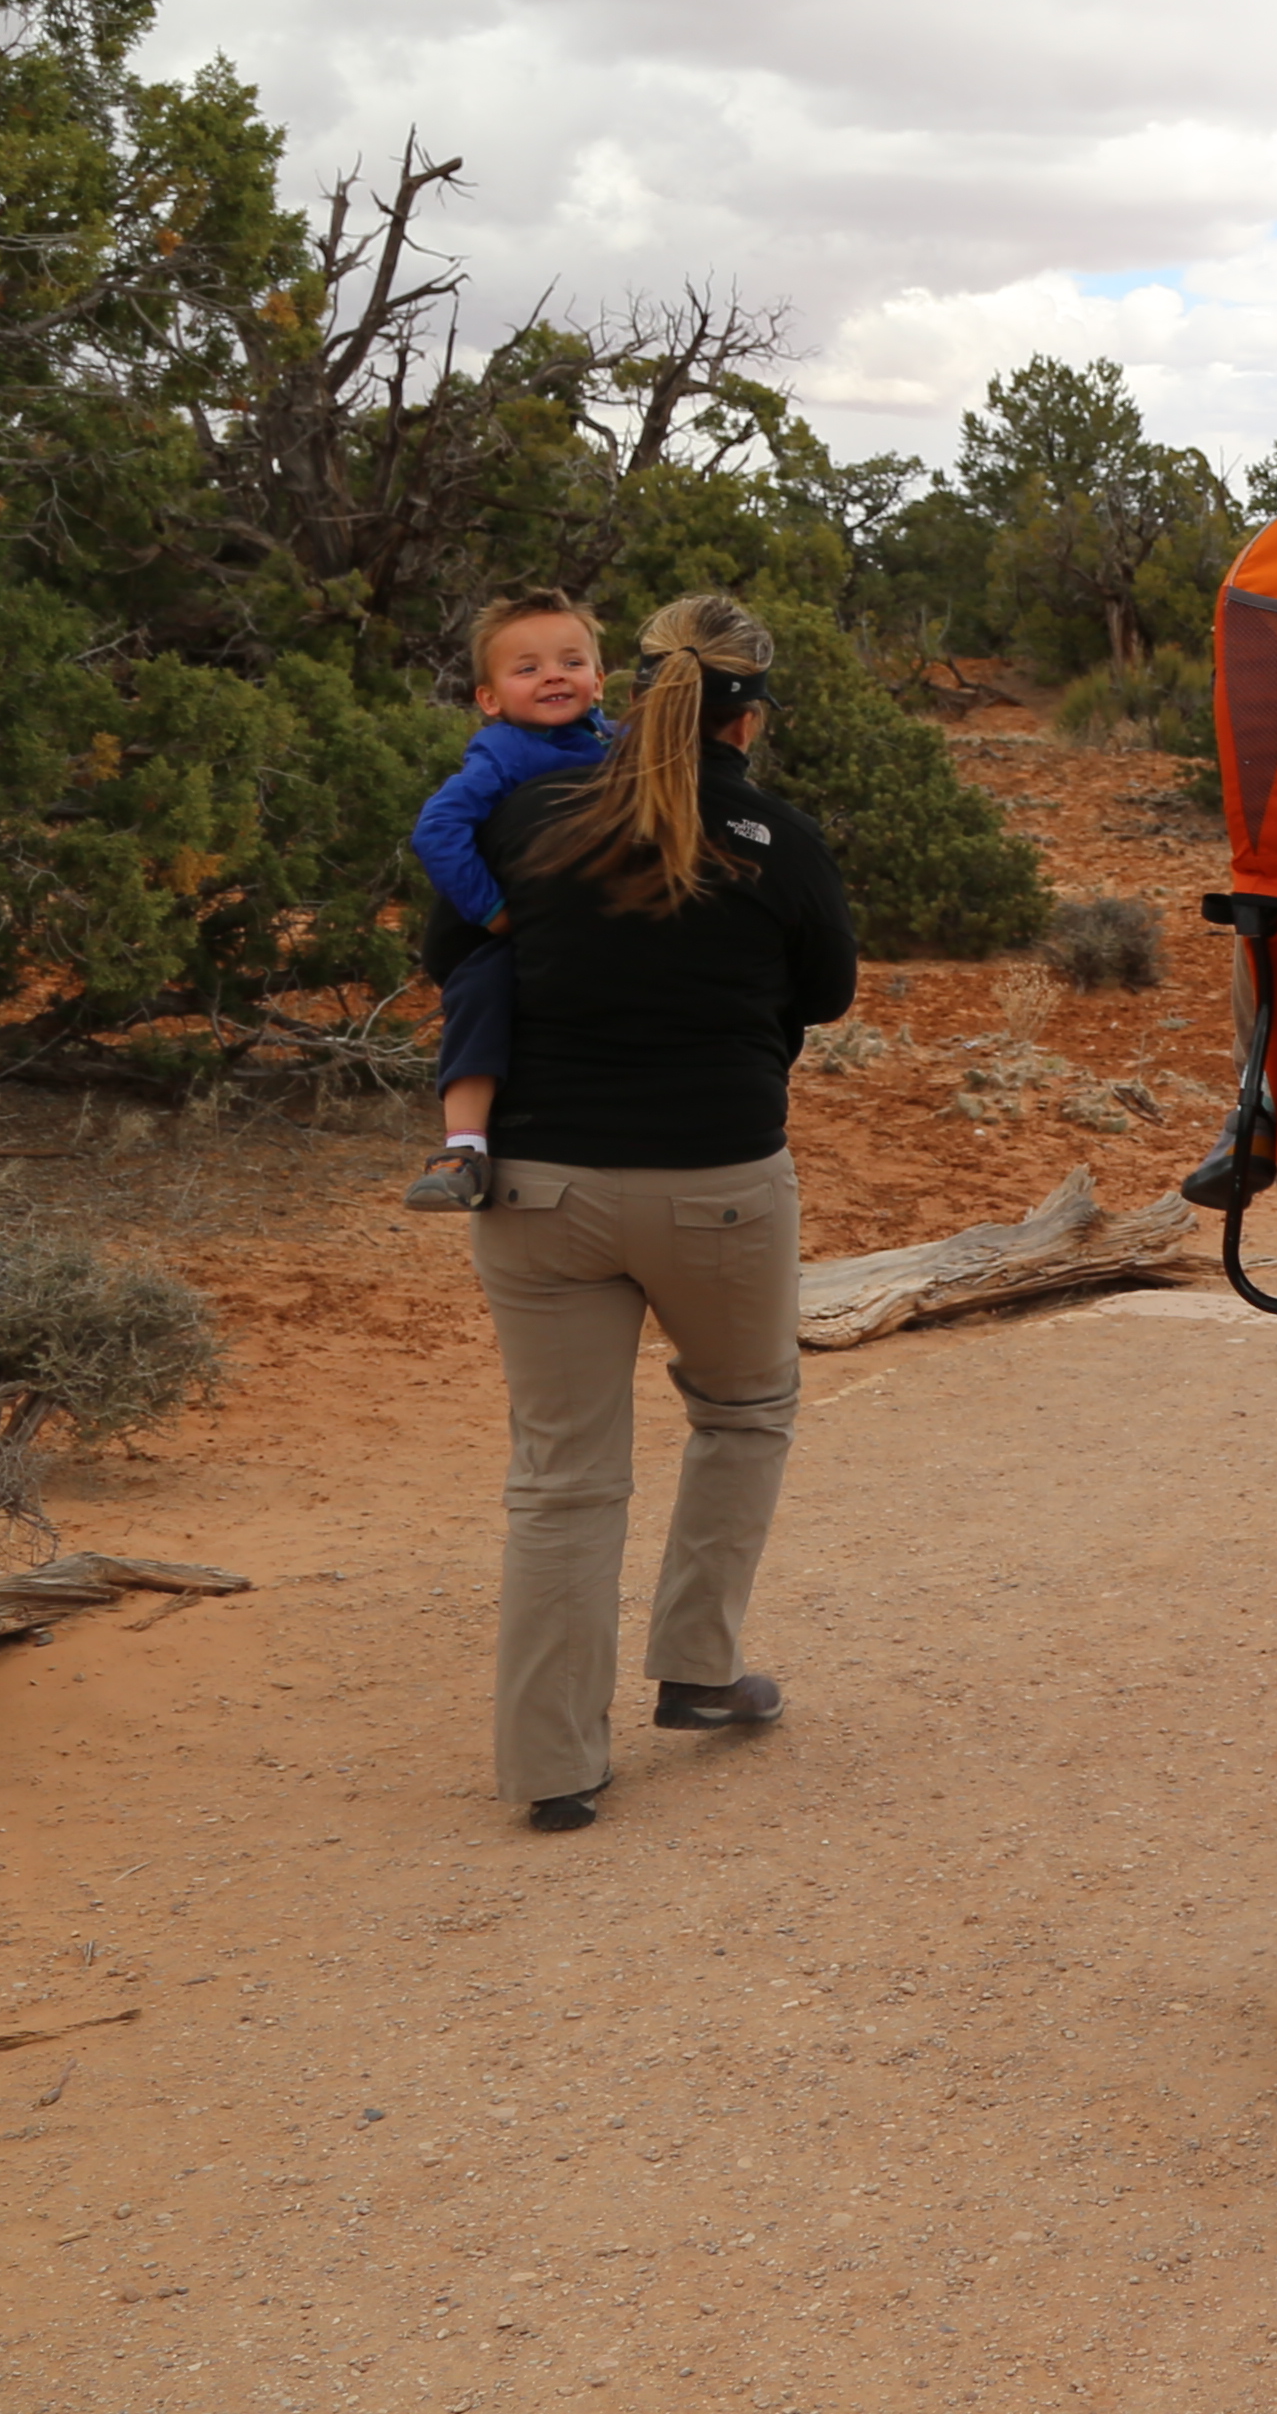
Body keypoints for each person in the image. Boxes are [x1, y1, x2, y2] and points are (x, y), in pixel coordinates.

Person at [466, 590, 860, 1835]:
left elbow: (461, 949)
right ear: (749, 716)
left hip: (535, 1188)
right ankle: (697, 1665)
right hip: (718, 1186)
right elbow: (830, 993)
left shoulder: (527, 812)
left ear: (632, 691)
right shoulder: (775, 835)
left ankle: (552, 1766)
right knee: (744, 1411)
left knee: (562, 1480)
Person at [399, 591, 616, 1213]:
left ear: (598, 681)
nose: (552, 675)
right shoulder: (504, 754)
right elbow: (436, 831)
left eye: (570, 663)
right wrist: (494, 912)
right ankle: (463, 1147)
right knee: (481, 991)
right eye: (527, 668)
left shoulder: (620, 745)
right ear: (489, 699)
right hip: (515, 929)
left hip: (599, 926)